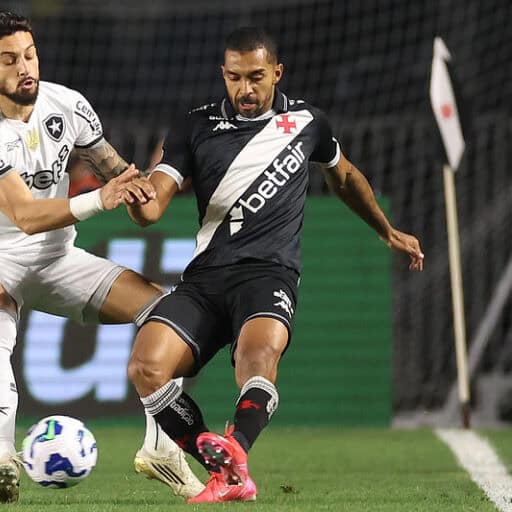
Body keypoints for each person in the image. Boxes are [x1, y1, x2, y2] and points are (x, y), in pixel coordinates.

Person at [124, 26, 425, 503]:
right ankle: (221, 466)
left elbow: (344, 177)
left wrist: (385, 230)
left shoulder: (308, 122)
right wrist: (137, 199)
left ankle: (237, 449)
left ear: (277, 73)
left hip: (268, 274)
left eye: (257, 77)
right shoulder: (194, 126)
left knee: (256, 357)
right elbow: (152, 207)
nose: (246, 89)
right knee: (145, 366)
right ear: (222, 75)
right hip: (206, 278)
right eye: (235, 78)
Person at [0, 10, 203, 503]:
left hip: (56, 257)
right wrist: (98, 200)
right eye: (9, 60)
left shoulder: (69, 105)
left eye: (30, 54)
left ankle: (160, 449)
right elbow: (24, 215)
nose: (25, 67)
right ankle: (4, 458)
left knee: (175, 316)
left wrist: (166, 170)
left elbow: (126, 185)